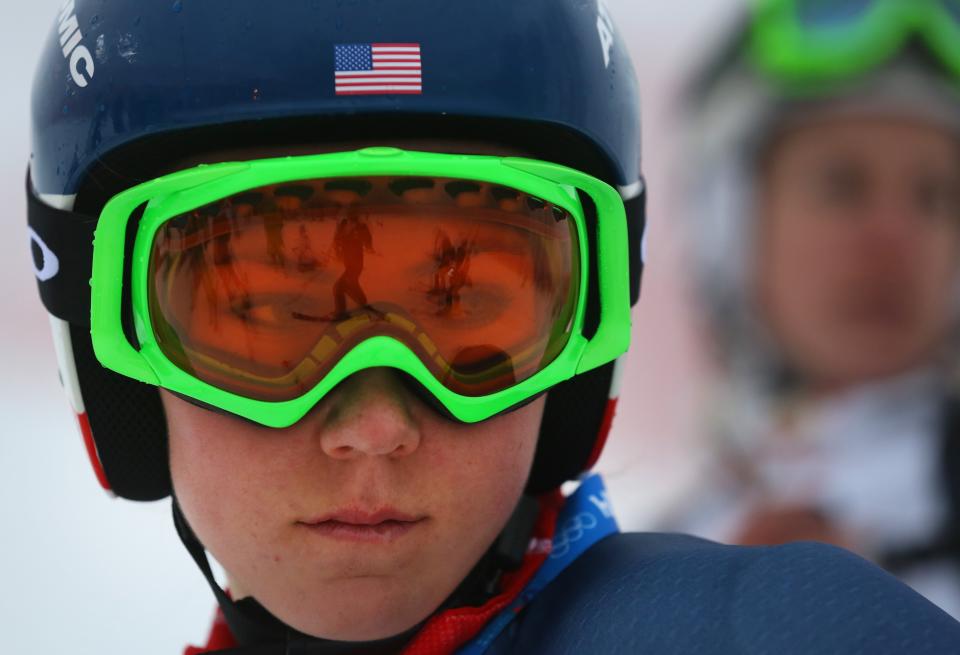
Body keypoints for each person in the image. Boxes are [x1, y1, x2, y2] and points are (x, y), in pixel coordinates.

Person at [25, 1, 960, 653]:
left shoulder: (756, 632)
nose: (376, 425)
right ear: (115, 367)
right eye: (270, 313)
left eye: (463, 307)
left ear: (580, 356)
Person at [665, 0, 960, 618]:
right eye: (842, 184)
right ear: (731, 224)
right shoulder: (640, 555)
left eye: (936, 196)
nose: (893, 234)